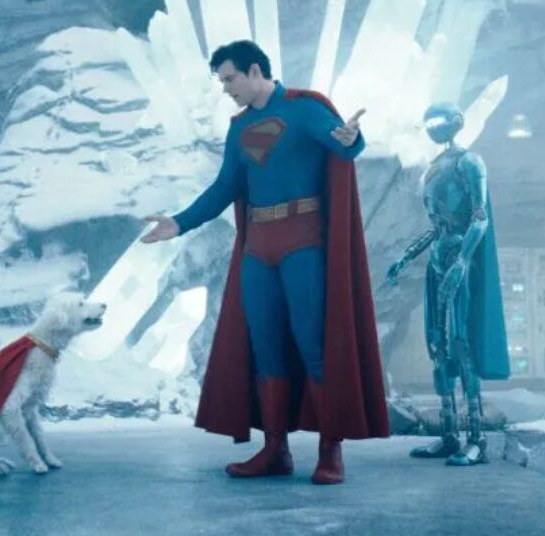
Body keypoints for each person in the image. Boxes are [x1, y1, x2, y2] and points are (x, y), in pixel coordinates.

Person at [142, 40, 389, 485]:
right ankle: (275, 449)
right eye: (222, 81)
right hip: (258, 248)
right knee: (266, 347)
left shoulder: (304, 108)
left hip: (303, 244)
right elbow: (224, 188)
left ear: (254, 70)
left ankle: (330, 450)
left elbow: (342, 146)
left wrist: (352, 138)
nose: (226, 89)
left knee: (314, 344)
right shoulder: (239, 128)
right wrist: (177, 223)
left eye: (229, 79)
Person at [386, 103, 510, 466]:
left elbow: (479, 217)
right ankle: (449, 435)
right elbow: (435, 226)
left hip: (459, 258)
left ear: (455, 123)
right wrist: (407, 255)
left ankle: (476, 439)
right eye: (429, 121)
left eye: (439, 120)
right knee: (438, 345)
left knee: (461, 342)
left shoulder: (469, 162)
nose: (433, 126)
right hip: (439, 259)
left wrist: (461, 261)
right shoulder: (434, 169)